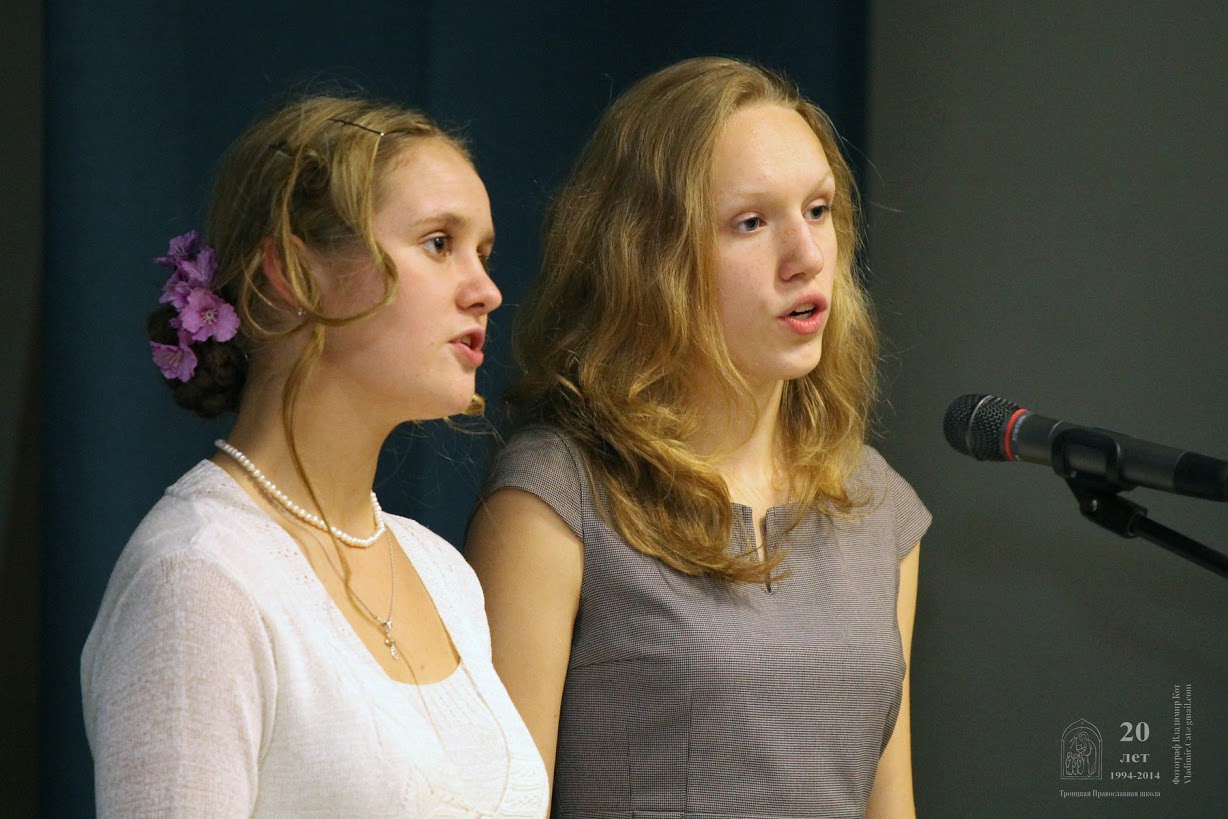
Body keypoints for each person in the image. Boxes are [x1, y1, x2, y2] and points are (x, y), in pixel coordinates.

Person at [465, 57, 930, 818]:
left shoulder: (876, 503)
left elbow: (890, 803)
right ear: (647, 259)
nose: (807, 256)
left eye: (818, 210)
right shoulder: (556, 494)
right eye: (752, 222)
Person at [81, 96, 550, 817]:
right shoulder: (199, 577)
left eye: (482, 253)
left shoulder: (445, 576)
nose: (486, 291)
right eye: (438, 243)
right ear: (293, 275)